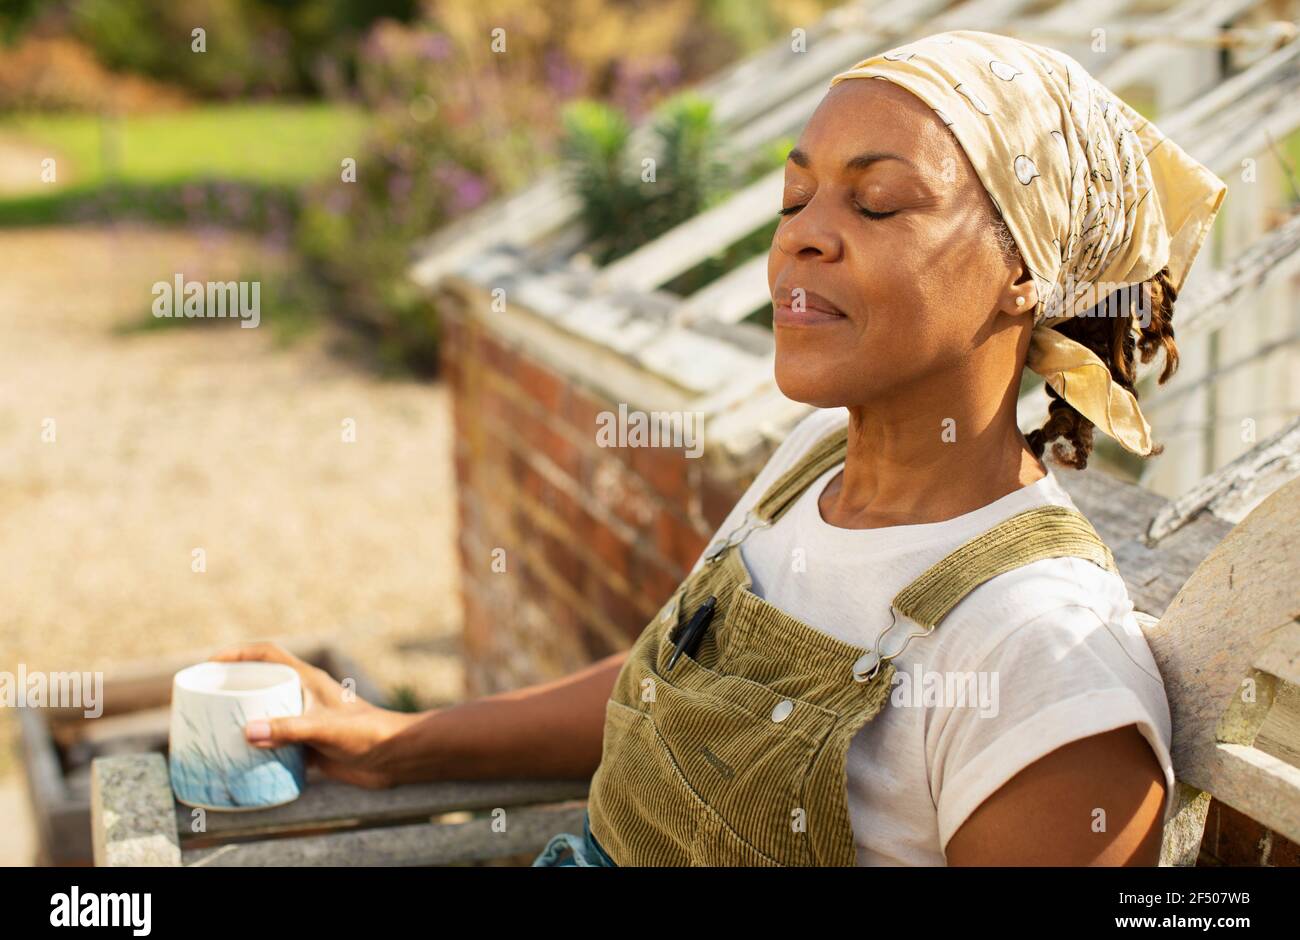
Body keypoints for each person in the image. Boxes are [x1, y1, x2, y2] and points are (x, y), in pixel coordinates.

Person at [212, 30, 1226, 866]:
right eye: (794, 199)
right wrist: (396, 741)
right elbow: (672, 678)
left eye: (875, 202)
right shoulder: (811, 464)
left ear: (1025, 272)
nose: (800, 237)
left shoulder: (1040, 661)